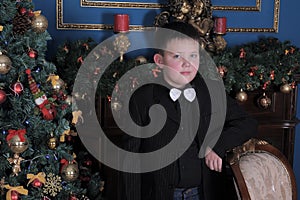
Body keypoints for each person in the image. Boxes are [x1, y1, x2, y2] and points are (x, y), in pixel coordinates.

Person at [120, 21, 258, 200]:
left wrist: (215, 146)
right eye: (177, 56)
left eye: (193, 55)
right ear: (159, 61)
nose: (187, 63)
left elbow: (248, 123)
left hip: (204, 193)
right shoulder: (142, 98)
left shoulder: (211, 91)